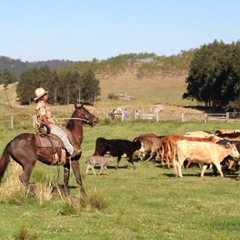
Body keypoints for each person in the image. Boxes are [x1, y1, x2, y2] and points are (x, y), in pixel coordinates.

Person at [34, 87, 81, 158]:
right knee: (62, 134)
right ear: (42, 97)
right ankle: (71, 152)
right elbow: (43, 116)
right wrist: (48, 124)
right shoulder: (41, 105)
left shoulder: (42, 104)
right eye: (45, 94)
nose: (47, 95)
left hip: (46, 124)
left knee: (62, 131)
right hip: (45, 126)